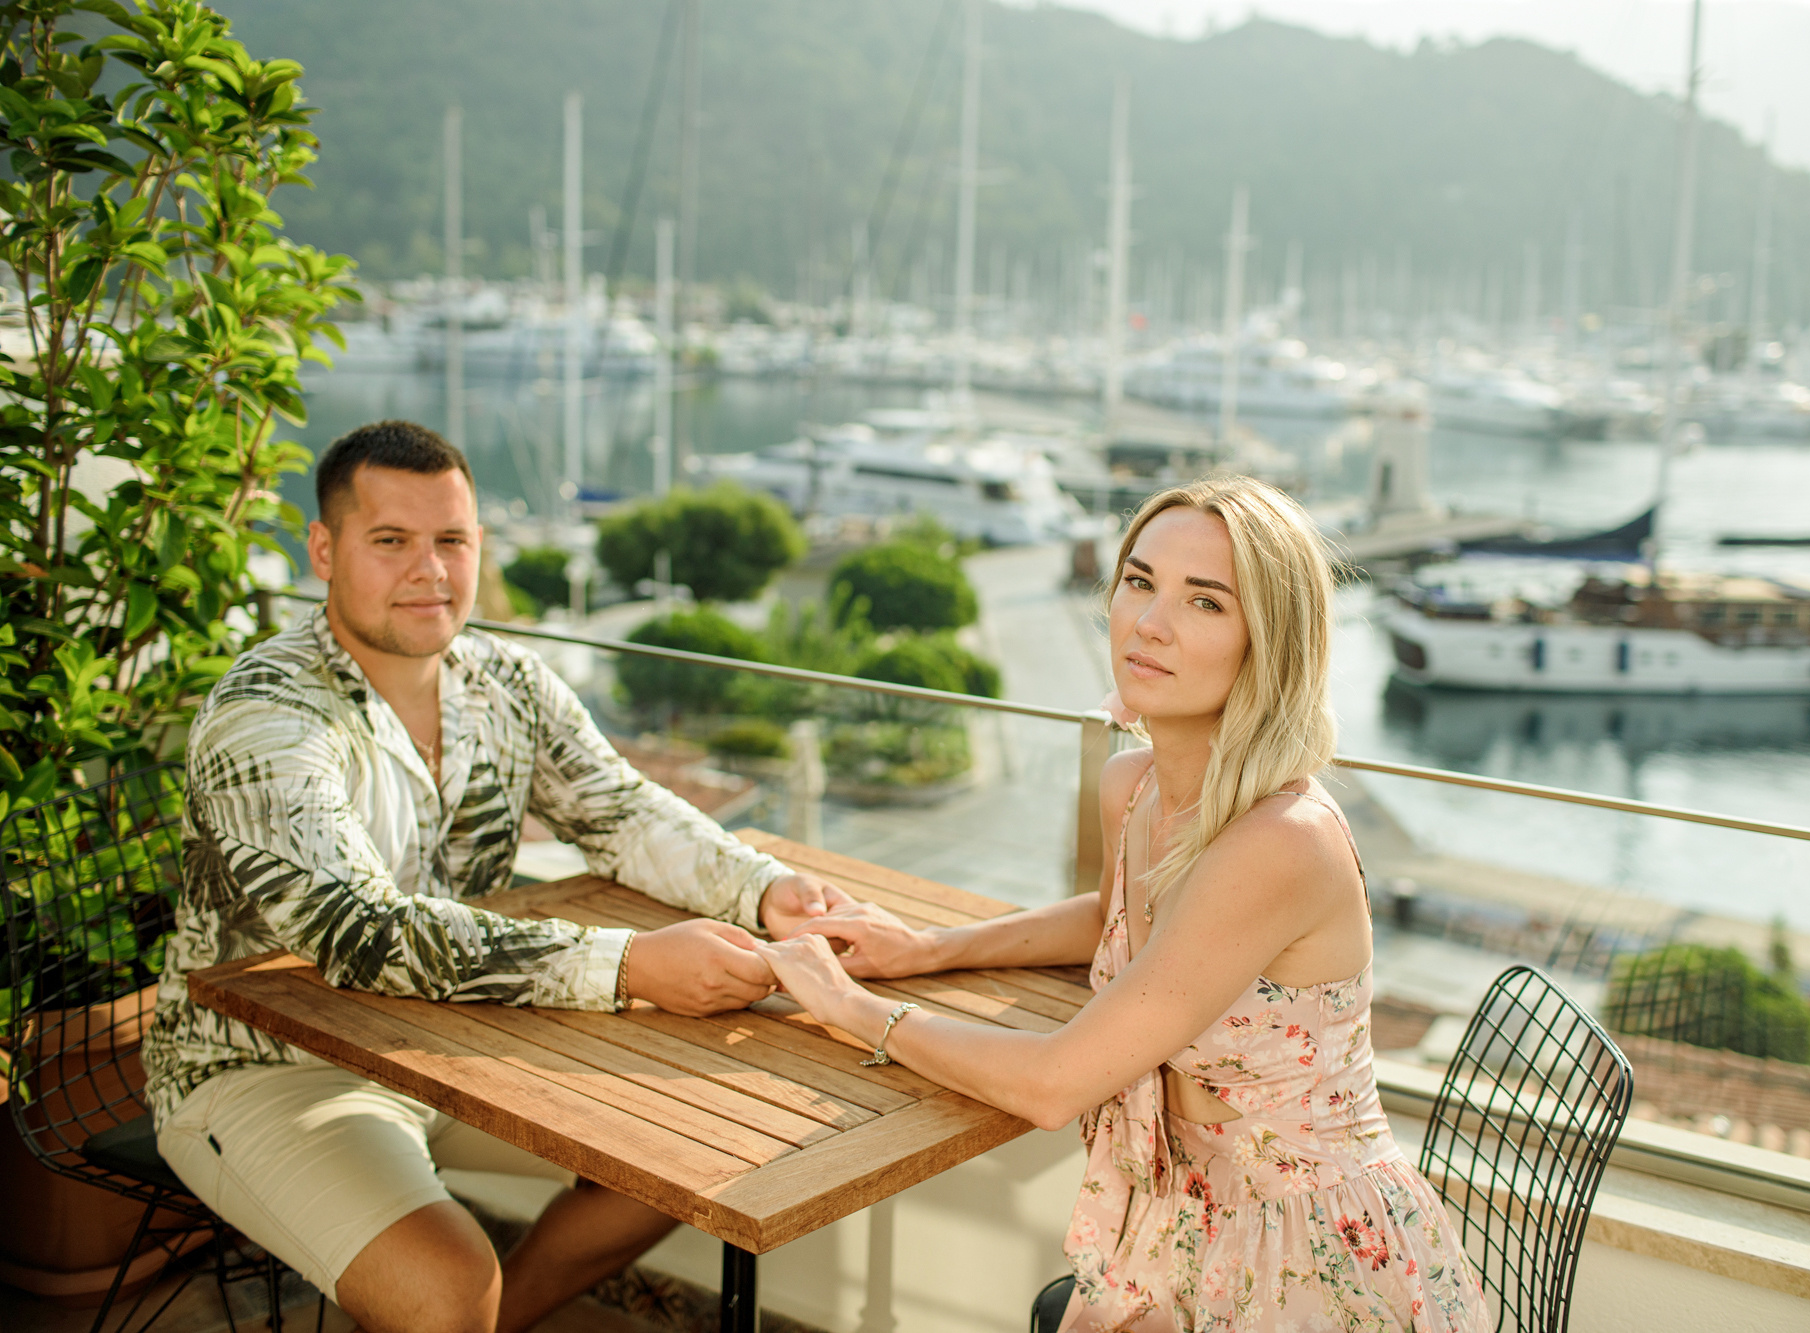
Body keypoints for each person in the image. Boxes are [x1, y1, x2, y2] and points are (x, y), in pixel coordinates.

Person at [143, 420, 854, 1333]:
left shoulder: (507, 682)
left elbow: (622, 813)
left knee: (702, 1155)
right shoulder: (267, 716)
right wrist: (631, 965)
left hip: (450, 1037)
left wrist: (765, 890)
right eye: (391, 541)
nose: (430, 571)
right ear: (323, 549)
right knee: (445, 1288)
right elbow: (364, 933)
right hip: (265, 1067)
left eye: (453, 540)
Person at [757, 476, 1492, 1332]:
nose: (1149, 623)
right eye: (1139, 582)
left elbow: (1054, 1084)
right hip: (1176, 1215)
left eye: (1206, 602)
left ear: (1272, 642)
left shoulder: (1282, 841)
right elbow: (1112, 916)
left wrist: (848, 1006)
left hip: (1301, 1248)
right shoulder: (1135, 787)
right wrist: (927, 949)